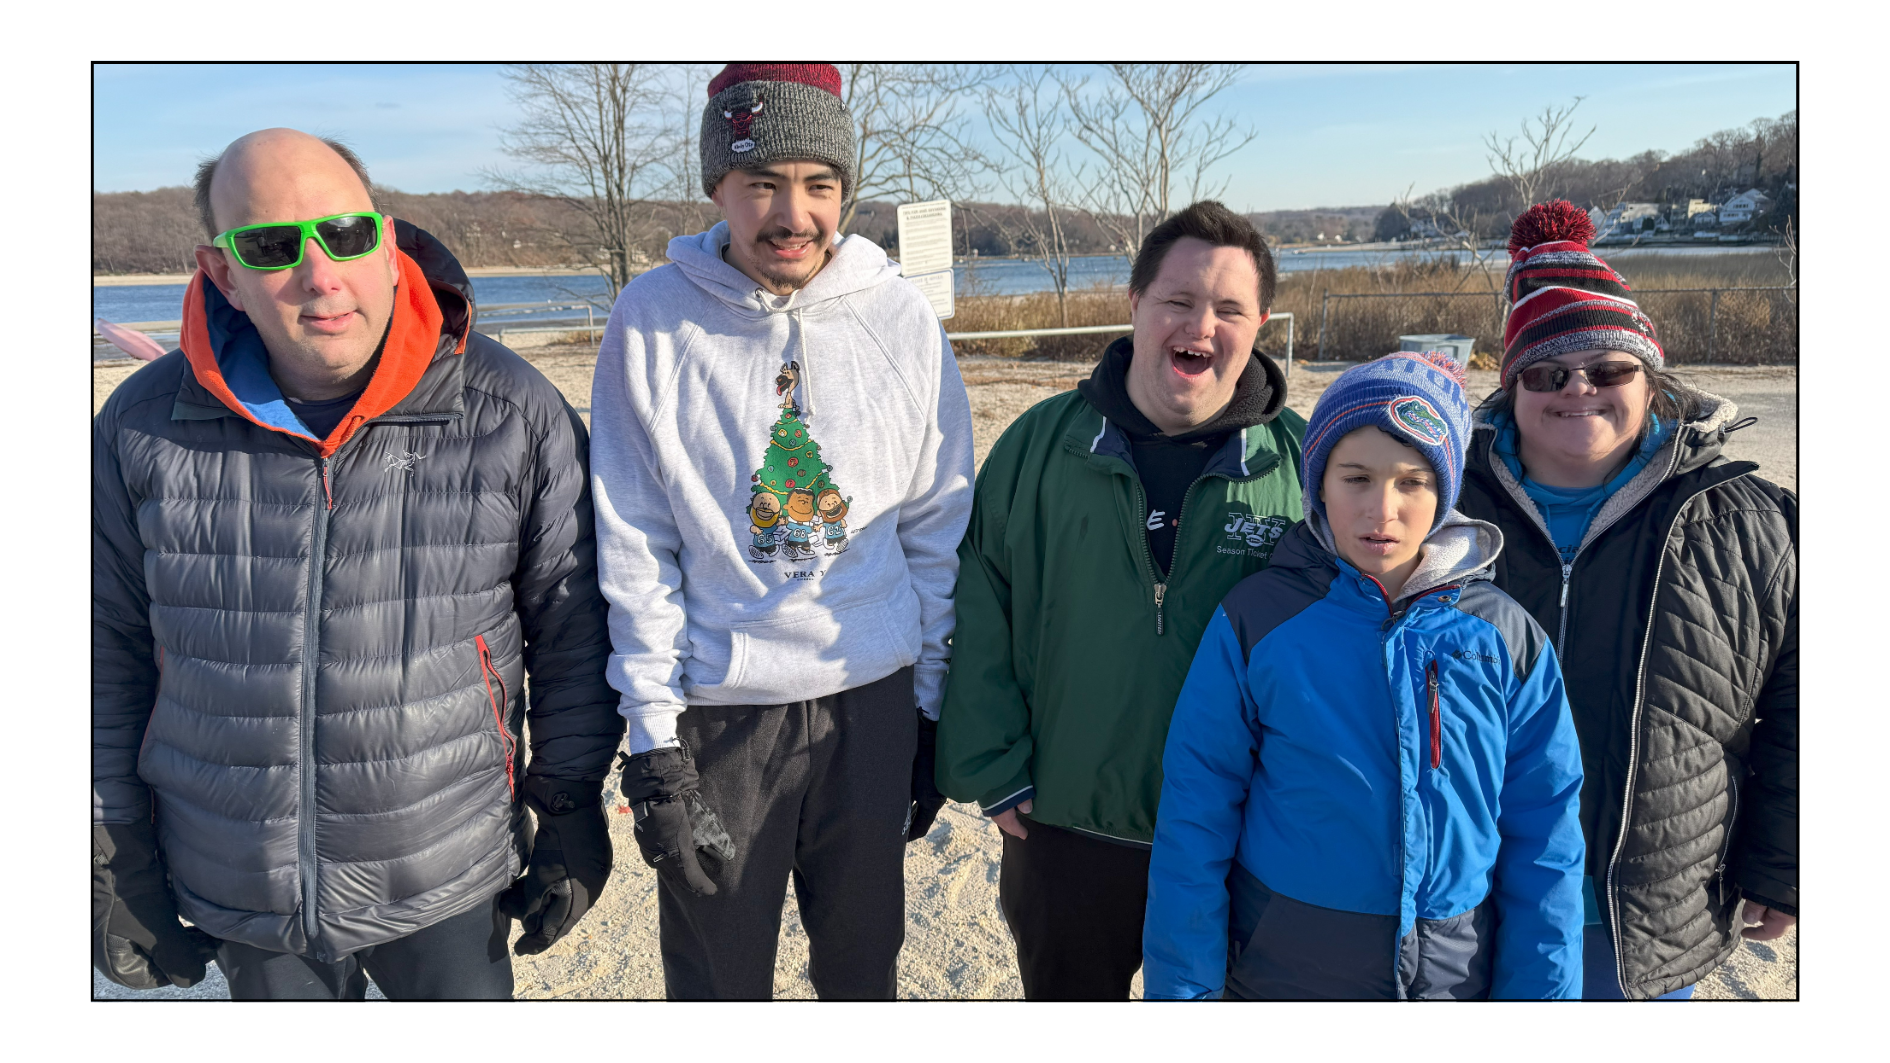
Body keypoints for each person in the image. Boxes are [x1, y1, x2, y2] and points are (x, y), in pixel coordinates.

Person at [92, 129, 623, 1000]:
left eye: (344, 233)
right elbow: (100, 650)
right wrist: (109, 854)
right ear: (222, 272)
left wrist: (565, 803)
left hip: (444, 870)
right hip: (241, 881)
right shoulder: (141, 425)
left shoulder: (513, 410)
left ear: (382, 236)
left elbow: (572, 628)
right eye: (270, 245)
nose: (319, 275)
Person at [588, 63, 974, 1000]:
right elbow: (635, 546)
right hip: (722, 718)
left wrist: (926, 706)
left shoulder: (902, 318)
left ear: (844, 191)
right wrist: (653, 742)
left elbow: (934, 525)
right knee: (720, 985)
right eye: (762, 183)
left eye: (819, 185)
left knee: (861, 969)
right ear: (718, 187)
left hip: (869, 703)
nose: (791, 213)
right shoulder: (651, 321)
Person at [936, 201, 1305, 1000]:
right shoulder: (1040, 446)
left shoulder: (1305, 465)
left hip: (1239, 833)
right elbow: (977, 597)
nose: (1200, 324)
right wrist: (993, 765)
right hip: (1066, 825)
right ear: (1135, 302)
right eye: (1178, 299)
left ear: (1261, 324)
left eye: (1229, 309)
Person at [1143, 349, 1586, 1000]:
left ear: (1446, 490)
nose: (1383, 509)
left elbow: (1546, 833)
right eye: (1356, 477)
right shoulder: (1257, 619)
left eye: (1412, 481)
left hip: (1450, 979)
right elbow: (1196, 813)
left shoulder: (1505, 637)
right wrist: (1183, 992)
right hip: (1284, 976)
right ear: (1318, 482)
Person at [1457, 201, 1797, 1000]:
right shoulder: (1439, 512)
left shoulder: (1750, 521)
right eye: (1547, 372)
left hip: (1642, 917)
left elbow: (1803, 700)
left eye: (1608, 368)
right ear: (1512, 389)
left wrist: (1782, 860)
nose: (1579, 388)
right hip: (1466, 904)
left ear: (1651, 380)